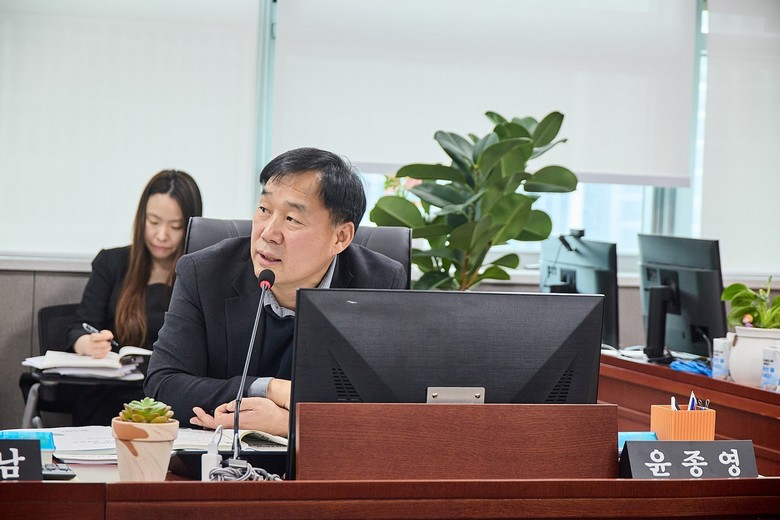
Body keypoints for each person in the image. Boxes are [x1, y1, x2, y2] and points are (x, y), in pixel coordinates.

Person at [144, 147, 407, 436]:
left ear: (340, 237)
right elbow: (163, 385)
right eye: (264, 209)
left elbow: (390, 407)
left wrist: (292, 424)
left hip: (322, 460)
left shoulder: (378, 283)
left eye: (292, 219)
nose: (268, 233)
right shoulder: (205, 273)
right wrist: (268, 389)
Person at [66, 170, 203, 426]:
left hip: (171, 399)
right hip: (111, 395)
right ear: (141, 218)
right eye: (153, 221)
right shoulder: (112, 263)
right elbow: (80, 327)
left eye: (175, 226)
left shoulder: (199, 273)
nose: (162, 235)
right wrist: (87, 343)